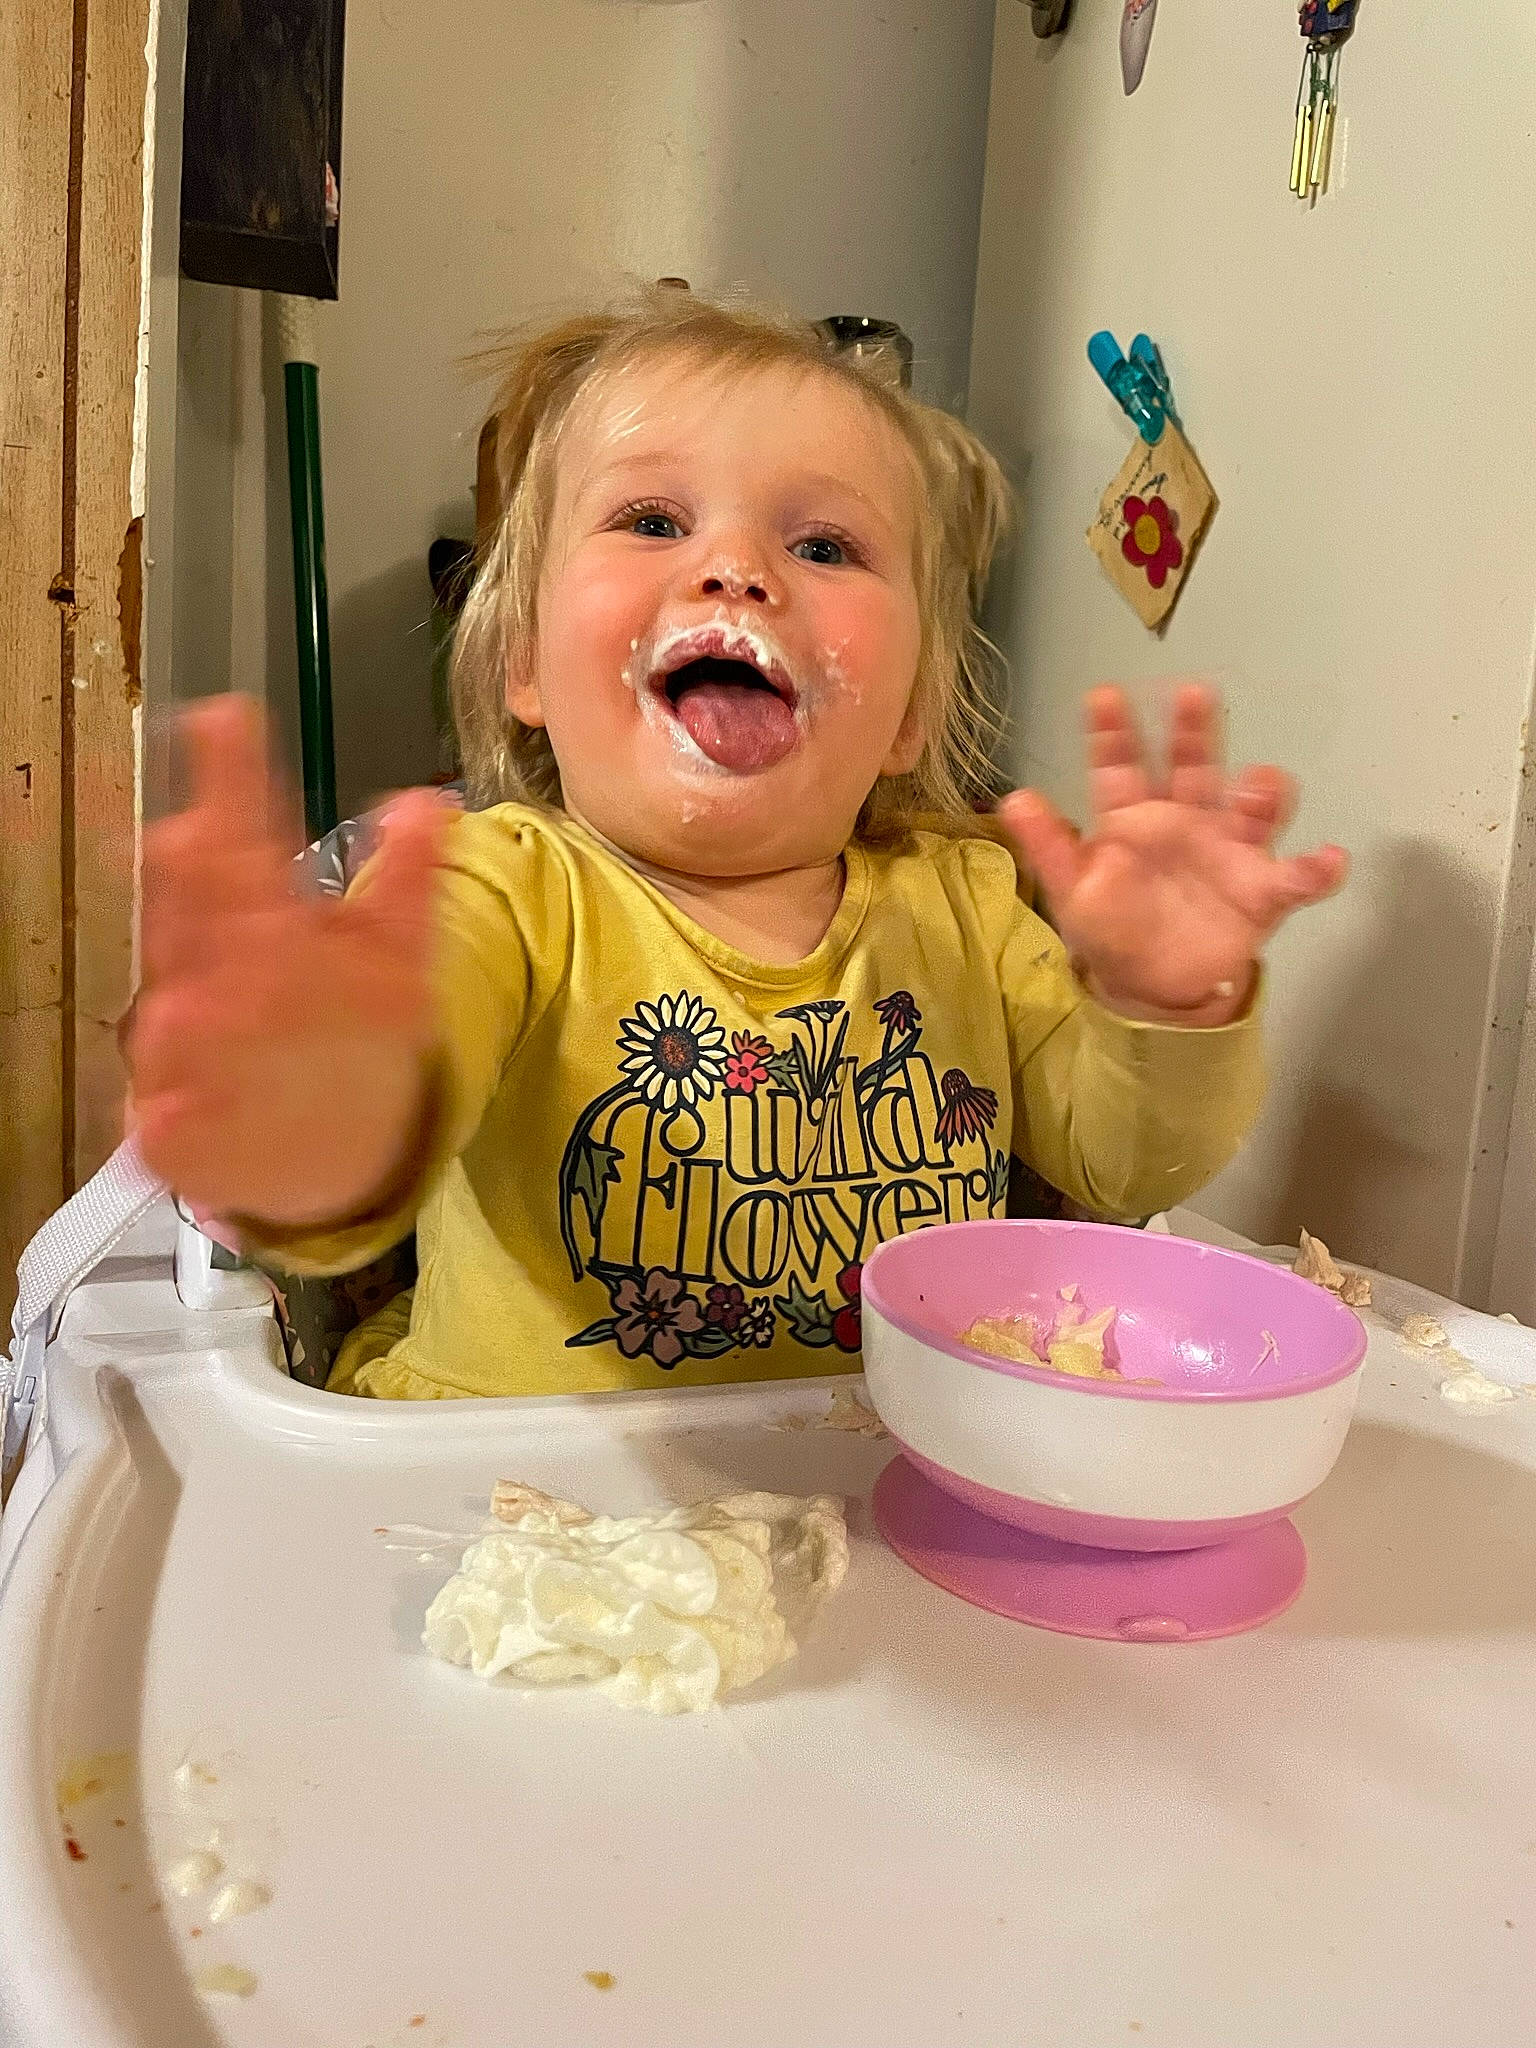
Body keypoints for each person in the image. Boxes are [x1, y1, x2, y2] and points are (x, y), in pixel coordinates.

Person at [129, 291, 1345, 1399]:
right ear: (519, 664)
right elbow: (401, 1059)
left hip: (881, 1500)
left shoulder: (968, 906)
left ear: (911, 709)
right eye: (652, 519)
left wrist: (1165, 1001)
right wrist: (309, 1099)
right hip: (508, 1527)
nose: (736, 569)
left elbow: (1125, 1167)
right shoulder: (494, 888)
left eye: (825, 547)